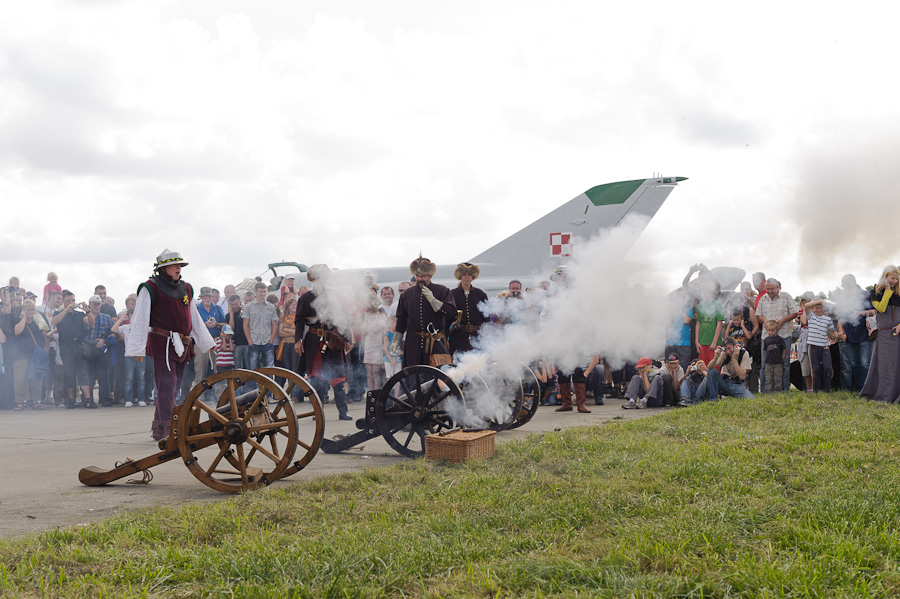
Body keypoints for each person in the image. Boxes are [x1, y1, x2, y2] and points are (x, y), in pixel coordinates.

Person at [125, 250, 216, 441]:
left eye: (180, 266)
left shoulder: (187, 288)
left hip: (183, 344)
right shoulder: (150, 287)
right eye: (174, 265)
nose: (178, 269)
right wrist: (136, 349)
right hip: (162, 344)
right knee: (167, 387)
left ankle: (160, 429)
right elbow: (140, 318)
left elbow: (194, 318)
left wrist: (207, 343)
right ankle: (168, 429)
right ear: (162, 268)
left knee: (173, 387)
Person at [294, 264, 352, 421]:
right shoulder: (305, 298)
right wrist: (298, 340)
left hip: (333, 340)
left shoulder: (335, 296)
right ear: (313, 279)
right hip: (314, 342)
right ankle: (318, 413)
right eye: (317, 277)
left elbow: (343, 318)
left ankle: (343, 412)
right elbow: (299, 320)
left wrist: (347, 339)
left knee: (338, 379)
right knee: (317, 379)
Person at [393, 255, 457, 368]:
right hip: (413, 342)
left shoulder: (442, 290)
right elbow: (401, 319)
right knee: (413, 375)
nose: (420, 279)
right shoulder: (407, 294)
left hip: (435, 342)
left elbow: (452, 312)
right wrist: (396, 341)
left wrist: (433, 301)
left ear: (430, 276)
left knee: (437, 376)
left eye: (423, 276)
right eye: (417, 276)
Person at [860, 266, 900, 403]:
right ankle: (884, 395)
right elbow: (881, 308)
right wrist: (888, 291)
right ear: (885, 276)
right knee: (885, 366)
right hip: (884, 335)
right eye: (892, 278)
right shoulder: (875, 293)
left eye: (896, 278)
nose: (895, 281)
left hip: (898, 332)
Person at [755, 278, 797, 392]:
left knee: (784, 364)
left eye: (772, 289)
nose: (769, 291)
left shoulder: (786, 296)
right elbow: (758, 315)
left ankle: (783, 390)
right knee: (765, 365)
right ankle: (765, 390)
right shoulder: (763, 299)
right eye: (768, 289)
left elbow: (795, 312)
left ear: (779, 288)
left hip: (783, 336)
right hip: (766, 337)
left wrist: (783, 320)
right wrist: (765, 321)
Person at [834, 274, 874, 392]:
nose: (846, 287)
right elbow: (840, 318)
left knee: (865, 364)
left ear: (854, 282)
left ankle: (866, 390)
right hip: (850, 335)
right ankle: (858, 390)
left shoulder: (866, 295)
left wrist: (859, 313)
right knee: (855, 364)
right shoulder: (843, 299)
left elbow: (876, 311)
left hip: (865, 335)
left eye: (847, 284)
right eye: (844, 285)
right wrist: (841, 331)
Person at [12, 299, 46, 410]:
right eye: (27, 309)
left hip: (35, 354)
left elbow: (44, 332)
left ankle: (35, 401)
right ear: (23, 310)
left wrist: (45, 347)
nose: (30, 312)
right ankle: (20, 402)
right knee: (20, 379)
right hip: (21, 354)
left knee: (37, 378)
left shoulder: (38, 320)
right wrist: (24, 318)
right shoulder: (18, 320)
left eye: (32, 309)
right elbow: (17, 331)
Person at [448, 262, 488, 357]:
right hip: (458, 336)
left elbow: (486, 316)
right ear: (460, 276)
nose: (467, 277)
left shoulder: (480, 294)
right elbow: (448, 316)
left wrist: (485, 333)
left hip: (476, 336)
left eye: (469, 275)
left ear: (473, 277)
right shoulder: (452, 294)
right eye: (464, 275)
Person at [82, 295, 115, 408]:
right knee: (88, 375)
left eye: (98, 304)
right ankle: (88, 398)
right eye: (94, 304)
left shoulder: (107, 318)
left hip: (101, 350)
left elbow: (113, 332)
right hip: (87, 350)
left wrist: (104, 340)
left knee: (103, 376)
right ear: (90, 305)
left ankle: (104, 398)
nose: (97, 306)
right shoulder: (84, 317)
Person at [193, 287, 226, 393]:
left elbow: (225, 325)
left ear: (212, 297)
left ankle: (218, 397)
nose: (207, 298)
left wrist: (216, 325)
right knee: (200, 369)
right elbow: (192, 327)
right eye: (205, 296)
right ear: (201, 297)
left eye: (209, 296)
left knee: (217, 369)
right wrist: (205, 325)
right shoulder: (196, 309)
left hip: (215, 340)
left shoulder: (217, 308)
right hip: (201, 341)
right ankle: (198, 397)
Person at [800, 298, 837, 392]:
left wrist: (840, 335)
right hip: (813, 346)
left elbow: (832, 333)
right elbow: (806, 306)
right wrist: (820, 301)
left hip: (824, 346)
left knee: (828, 368)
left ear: (824, 309)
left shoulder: (828, 319)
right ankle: (817, 391)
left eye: (821, 307)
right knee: (816, 369)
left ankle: (826, 389)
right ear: (813, 309)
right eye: (817, 308)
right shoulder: (811, 316)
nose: (819, 309)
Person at [112, 309, 145, 407]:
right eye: (132, 315)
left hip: (141, 355)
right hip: (129, 356)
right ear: (129, 317)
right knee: (129, 379)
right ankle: (128, 400)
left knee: (141, 379)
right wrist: (121, 319)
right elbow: (113, 329)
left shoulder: (142, 327)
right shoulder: (126, 327)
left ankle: (141, 399)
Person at [243, 282, 278, 370]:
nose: (262, 294)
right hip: (254, 341)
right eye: (260, 292)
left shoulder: (271, 307)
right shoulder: (248, 307)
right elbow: (245, 325)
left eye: (264, 291)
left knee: (269, 369)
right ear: (255, 292)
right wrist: (249, 341)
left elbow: (274, 324)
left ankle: (267, 384)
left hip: (267, 341)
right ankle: (253, 384)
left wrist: (271, 340)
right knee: (253, 369)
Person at [762, 320, 787, 393]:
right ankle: (768, 391)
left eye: (773, 330)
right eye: (769, 330)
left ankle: (778, 391)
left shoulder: (779, 339)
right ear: (767, 330)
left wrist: (783, 357)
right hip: (768, 363)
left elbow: (784, 348)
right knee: (768, 378)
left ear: (776, 330)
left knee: (777, 378)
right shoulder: (766, 340)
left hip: (778, 363)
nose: (771, 332)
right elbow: (765, 350)